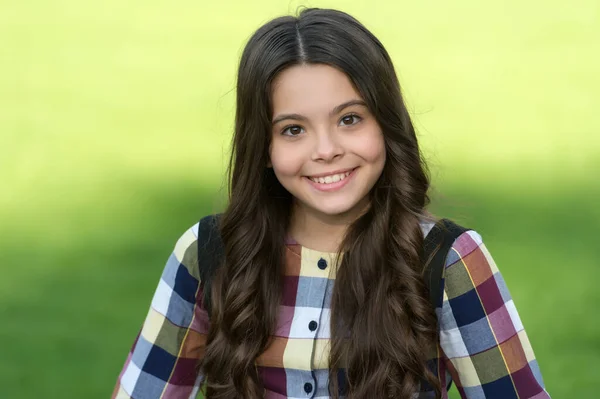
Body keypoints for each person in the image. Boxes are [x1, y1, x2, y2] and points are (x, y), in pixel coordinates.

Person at [111, 8, 551, 399]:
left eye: (349, 119)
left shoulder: (448, 260)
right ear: (262, 146)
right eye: (293, 129)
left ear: (386, 123)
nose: (325, 150)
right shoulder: (208, 253)